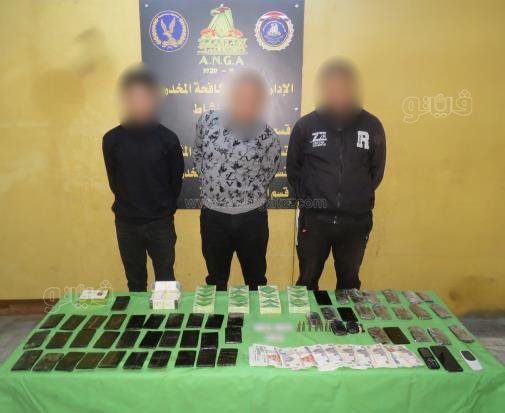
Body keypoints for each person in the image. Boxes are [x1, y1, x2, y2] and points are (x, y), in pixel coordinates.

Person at [287, 58, 386, 290]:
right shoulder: (306, 126)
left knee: (349, 285)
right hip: (315, 223)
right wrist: (312, 200)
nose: (338, 93)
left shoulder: (371, 125)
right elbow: (294, 170)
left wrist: (354, 198)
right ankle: (308, 316)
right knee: (307, 282)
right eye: (333, 88)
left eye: (343, 87)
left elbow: (376, 172)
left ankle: (346, 317)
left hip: (355, 223)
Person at [193, 70, 281, 291]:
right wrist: (214, 185)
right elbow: (198, 154)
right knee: (215, 282)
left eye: (252, 98)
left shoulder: (268, 136)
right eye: (241, 96)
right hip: (213, 218)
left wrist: (245, 196)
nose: (246, 103)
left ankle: (255, 315)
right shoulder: (207, 121)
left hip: (252, 219)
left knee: (256, 282)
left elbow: (269, 171)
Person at [102, 65, 184, 291]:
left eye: (143, 96)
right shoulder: (111, 140)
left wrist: (163, 208)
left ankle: (165, 315)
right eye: (133, 97)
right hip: (127, 223)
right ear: (125, 100)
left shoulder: (168, 139)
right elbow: (114, 181)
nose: (138, 102)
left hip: (160, 223)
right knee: (135, 283)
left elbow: (175, 181)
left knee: (165, 283)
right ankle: (137, 315)